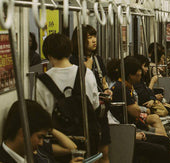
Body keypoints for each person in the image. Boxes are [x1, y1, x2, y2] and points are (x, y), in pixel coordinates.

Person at [35, 33, 101, 154]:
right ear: (69, 51)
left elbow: (42, 116)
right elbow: (95, 105)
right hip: (88, 139)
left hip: (58, 144)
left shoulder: (41, 82)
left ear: (48, 55)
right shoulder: (86, 73)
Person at [71, 25, 112, 163]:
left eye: (94, 36)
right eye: (89, 38)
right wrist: (86, 70)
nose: (94, 40)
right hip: (84, 114)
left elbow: (104, 82)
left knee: (104, 152)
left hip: (100, 111)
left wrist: (107, 91)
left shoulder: (98, 59)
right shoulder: (74, 61)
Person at [0, 100, 83, 163]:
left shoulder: (29, 153)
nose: (41, 143)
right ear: (23, 133)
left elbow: (72, 148)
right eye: (39, 137)